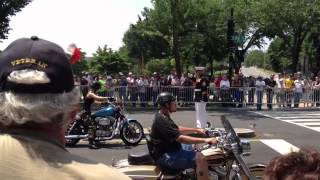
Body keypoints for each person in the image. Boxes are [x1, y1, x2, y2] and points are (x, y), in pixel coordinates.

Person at [0, 36, 130, 180]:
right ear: (72, 110)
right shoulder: (110, 177)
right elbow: (95, 98)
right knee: (92, 125)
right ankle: (92, 141)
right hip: (86, 113)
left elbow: (97, 100)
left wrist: (104, 100)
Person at [150, 92, 218, 180]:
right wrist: (206, 140)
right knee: (201, 158)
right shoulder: (162, 120)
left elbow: (177, 129)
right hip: (166, 156)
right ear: (167, 104)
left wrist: (197, 130)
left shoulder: (163, 115)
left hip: (170, 149)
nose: (176, 104)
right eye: (173, 102)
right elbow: (180, 138)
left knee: (194, 146)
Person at [84, 81, 111, 149]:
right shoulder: (90, 93)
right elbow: (97, 97)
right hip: (86, 113)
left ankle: (95, 140)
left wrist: (104, 102)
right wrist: (107, 98)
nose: (98, 90)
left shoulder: (91, 93)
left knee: (96, 123)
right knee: (92, 126)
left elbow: (95, 101)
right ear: (96, 88)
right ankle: (90, 143)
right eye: (98, 89)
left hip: (88, 112)